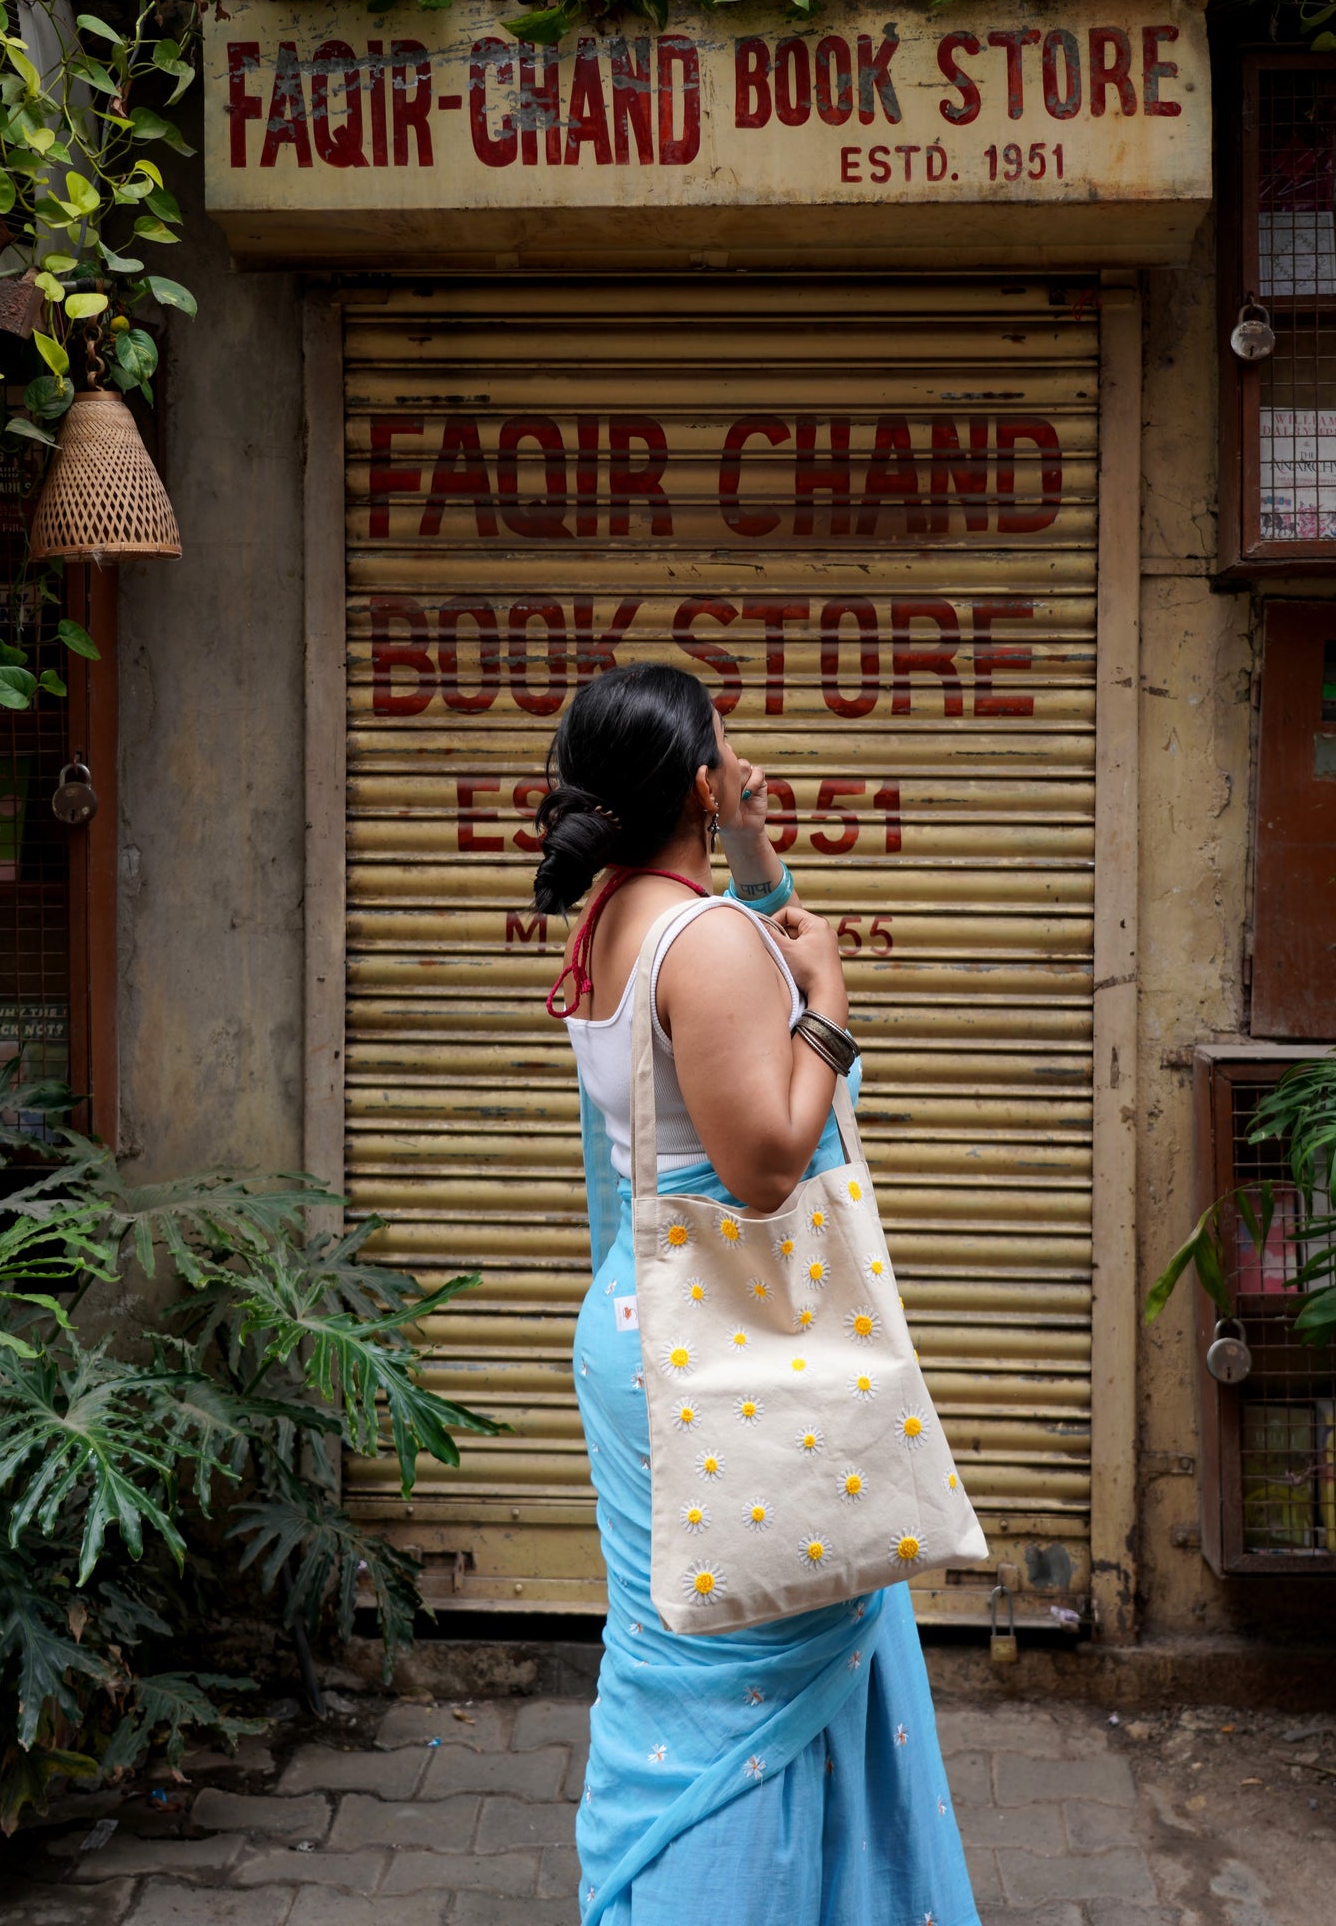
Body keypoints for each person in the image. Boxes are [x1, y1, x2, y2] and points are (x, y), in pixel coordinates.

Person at [535, 661, 981, 1926]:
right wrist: (830, 999)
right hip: (723, 1342)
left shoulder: (615, 914)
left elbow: (741, 971)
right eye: (722, 749)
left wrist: (744, 836)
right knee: (745, 1684)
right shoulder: (705, 939)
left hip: (648, 1323)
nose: (740, 760)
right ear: (690, 778)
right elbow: (769, 1162)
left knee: (680, 1659)